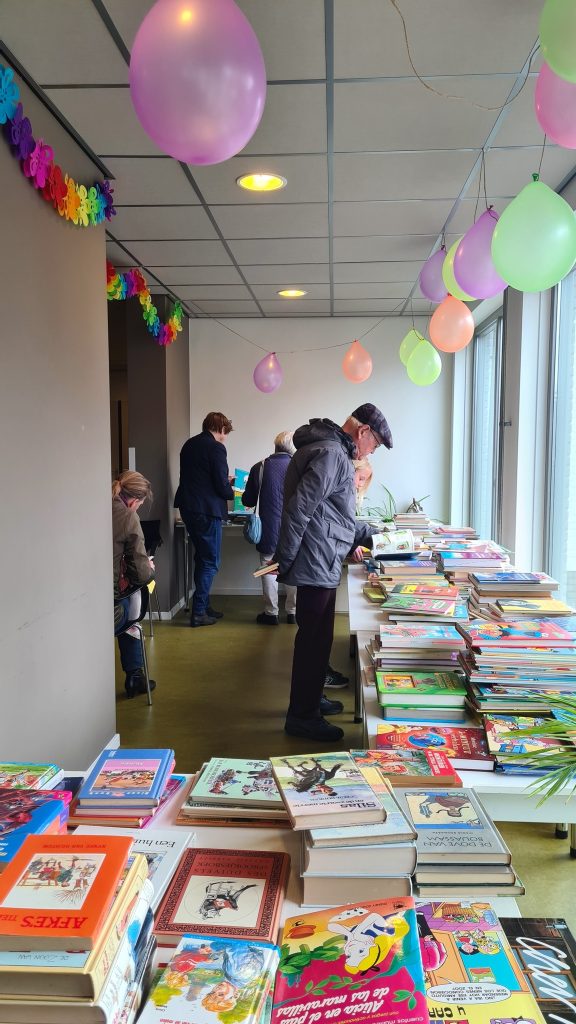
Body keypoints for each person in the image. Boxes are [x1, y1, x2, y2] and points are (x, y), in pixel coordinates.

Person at [276, 403, 392, 741]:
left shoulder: (332, 451)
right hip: (316, 559)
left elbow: (336, 517)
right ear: (363, 432)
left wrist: (377, 535)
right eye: (376, 443)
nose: (374, 450)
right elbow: (301, 507)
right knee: (313, 640)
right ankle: (302, 716)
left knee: (319, 637)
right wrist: (285, 557)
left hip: (321, 557)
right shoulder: (332, 454)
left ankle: (310, 701)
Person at [175, 412, 234, 627]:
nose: (225, 437)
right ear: (220, 428)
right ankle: (199, 612)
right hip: (207, 510)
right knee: (211, 561)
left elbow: (196, 476)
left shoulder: (189, 444)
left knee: (202, 557)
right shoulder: (216, 447)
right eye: (226, 432)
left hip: (188, 507)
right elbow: (220, 483)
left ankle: (204, 605)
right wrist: (231, 487)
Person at [323, 456, 374, 691]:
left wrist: (354, 545)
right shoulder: (339, 487)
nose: (359, 484)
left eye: (364, 481)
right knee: (317, 630)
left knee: (320, 628)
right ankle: (319, 679)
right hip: (321, 563)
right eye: (360, 477)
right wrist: (376, 538)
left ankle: (320, 676)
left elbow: (345, 526)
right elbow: (344, 526)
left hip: (325, 561)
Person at [242, 430, 297, 625]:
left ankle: (271, 613)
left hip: (269, 527)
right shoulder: (298, 466)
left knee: (268, 566)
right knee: (291, 566)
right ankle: (292, 612)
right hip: (294, 529)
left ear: (276, 445)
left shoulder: (260, 467)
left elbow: (248, 500)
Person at [112, 471, 156, 699]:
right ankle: (135, 676)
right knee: (135, 607)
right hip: (111, 612)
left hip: (80, 597)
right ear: (133, 500)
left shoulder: (93, 504)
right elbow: (140, 573)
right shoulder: (128, 517)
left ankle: (135, 675)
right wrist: (149, 568)